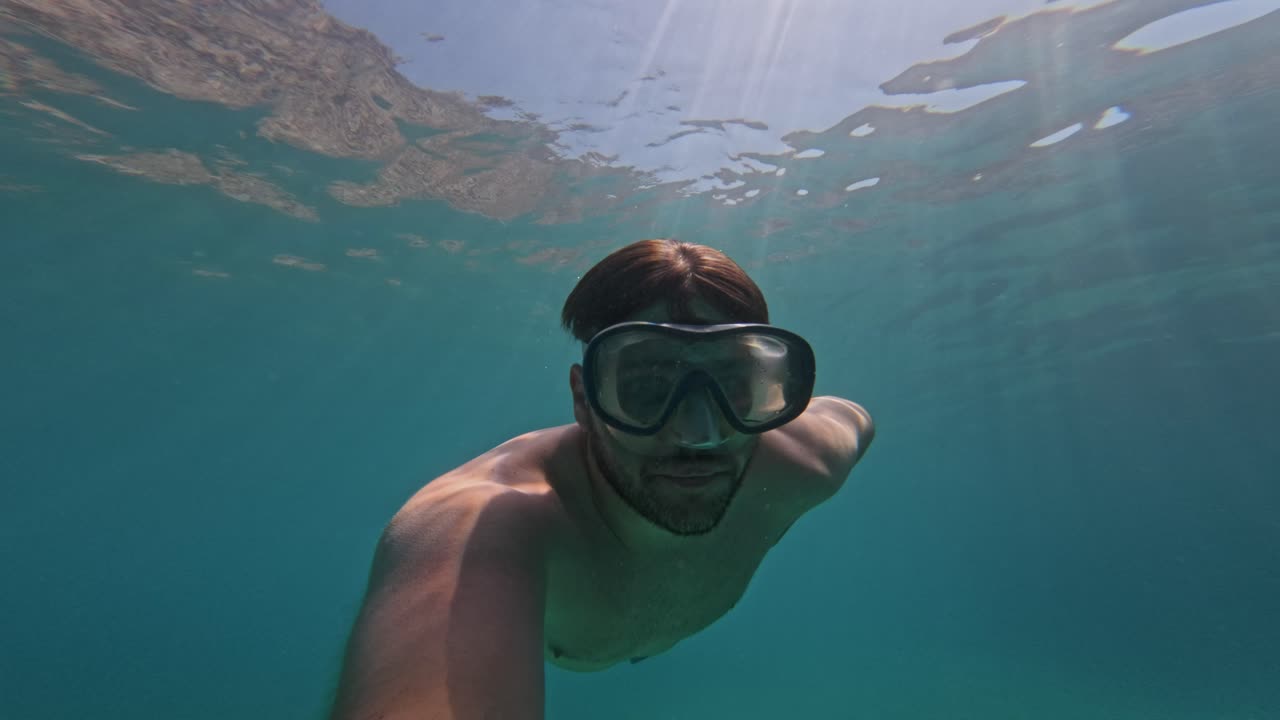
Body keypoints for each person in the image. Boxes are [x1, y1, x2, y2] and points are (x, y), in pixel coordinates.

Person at [327, 238, 875, 720]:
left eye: (733, 385)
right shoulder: (493, 521)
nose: (700, 435)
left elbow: (851, 417)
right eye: (646, 386)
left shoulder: (805, 462)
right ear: (583, 399)